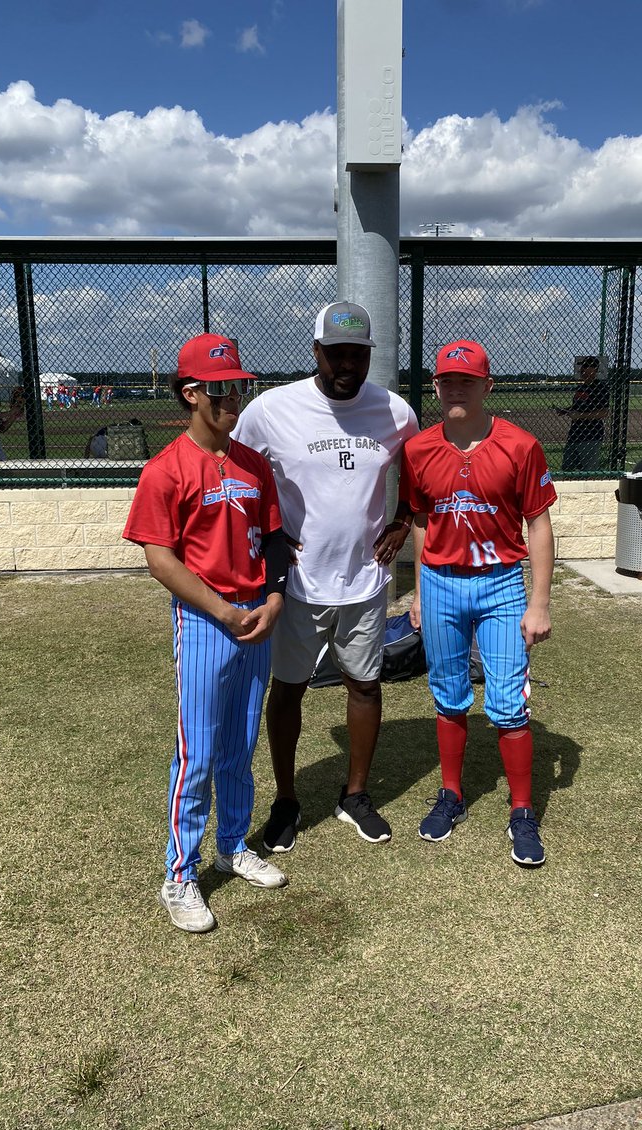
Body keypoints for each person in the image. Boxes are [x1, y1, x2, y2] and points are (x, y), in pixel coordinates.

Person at [122, 333, 292, 934]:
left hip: (257, 616)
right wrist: (223, 611)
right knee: (197, 751)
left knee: (240, 743)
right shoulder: (165, 469)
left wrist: (273, 598)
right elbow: (160, 558)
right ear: (191, 393)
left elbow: (274, 538)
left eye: (241, 386)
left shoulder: (251, 462)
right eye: (222, 389)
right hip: (205, 620)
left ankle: (231, 844)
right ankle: (180, 874)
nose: (234, 398)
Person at [234, 301, 419, 850]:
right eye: (335, 354)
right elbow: (236, 471)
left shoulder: (395, 411)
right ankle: (287, 799)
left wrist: (404, 519)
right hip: (296, 582)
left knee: (366, 683)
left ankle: (355, 795)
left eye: (357, 356)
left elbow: (421, 467)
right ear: (315, 352)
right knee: (288, 688)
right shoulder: (273, 409)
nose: (346, 366)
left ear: (368, 356)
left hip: (365, 578)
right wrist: (270, 532)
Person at [401, 339, 557, 866]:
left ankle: (521, 810)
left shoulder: (520, 445)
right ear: (437, 387)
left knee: (509, 704)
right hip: (442, 582)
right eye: (447, 380)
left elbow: (538, 523)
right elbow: (422, 522)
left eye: (468, 379)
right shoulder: (419, 449)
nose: (456, 388)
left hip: (500, 584)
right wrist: (419, 593)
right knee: (447, 695)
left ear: (488, 386)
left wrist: (539, 602)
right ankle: (452, 794)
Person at [556, 355, 609, 471]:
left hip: (591, 435)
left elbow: (603, 412)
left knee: (589, 470)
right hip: (575, 434)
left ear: (594, 369)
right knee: (567, 468)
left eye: (586, 367)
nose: (582, 370)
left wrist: (580, 416)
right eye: (582, 367)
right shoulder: (581, 387)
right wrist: (566, 410)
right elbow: (578, 406)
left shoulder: (600, 388)